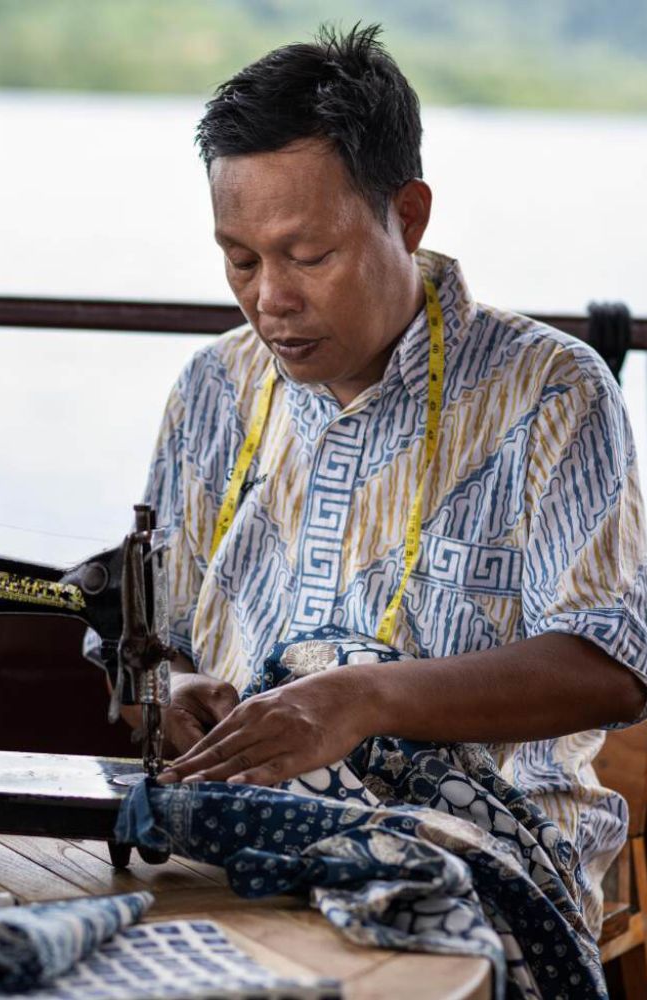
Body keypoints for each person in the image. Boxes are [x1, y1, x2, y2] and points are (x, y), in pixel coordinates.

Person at [142, 23, 647, 936]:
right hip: (247, 837)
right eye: (241, 259)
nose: (270, 300)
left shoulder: (552, 390)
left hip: (486, 850)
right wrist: (167, 697)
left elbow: (608, 667)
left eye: (308, 255)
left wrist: (362, 698)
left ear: (406, 216)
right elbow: (156, 644)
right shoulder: (213, 389)